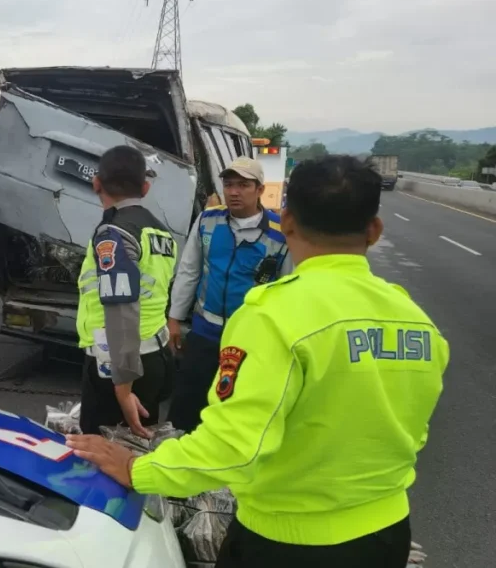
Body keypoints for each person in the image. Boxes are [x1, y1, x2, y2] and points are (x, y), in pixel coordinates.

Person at [68, 155, 450, 568]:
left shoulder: (272, 317)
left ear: (286, 223)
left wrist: (137, 469)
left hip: (288, 542)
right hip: (387, 533)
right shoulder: (416, 321)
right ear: (374, 230)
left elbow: (234, 447)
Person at [166, 156, 292, 433]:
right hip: (205, 333)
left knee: (235, 414)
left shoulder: (281, 235)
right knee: (186, 411)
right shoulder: (207, 221)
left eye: (243, 185)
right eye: (229, 184)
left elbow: (288, 290)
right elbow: (189, 271)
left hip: (251, 340)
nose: (234, 192)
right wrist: (174, 318)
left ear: (260, 189)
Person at [76, 146, 178, 437]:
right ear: (145, 189)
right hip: (154, 354)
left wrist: (123, 388)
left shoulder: (114, 233)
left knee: (103, 455)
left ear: (96, 183)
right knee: (137, 452)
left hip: (122, 365)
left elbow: (121, 307)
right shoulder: (160, 232)